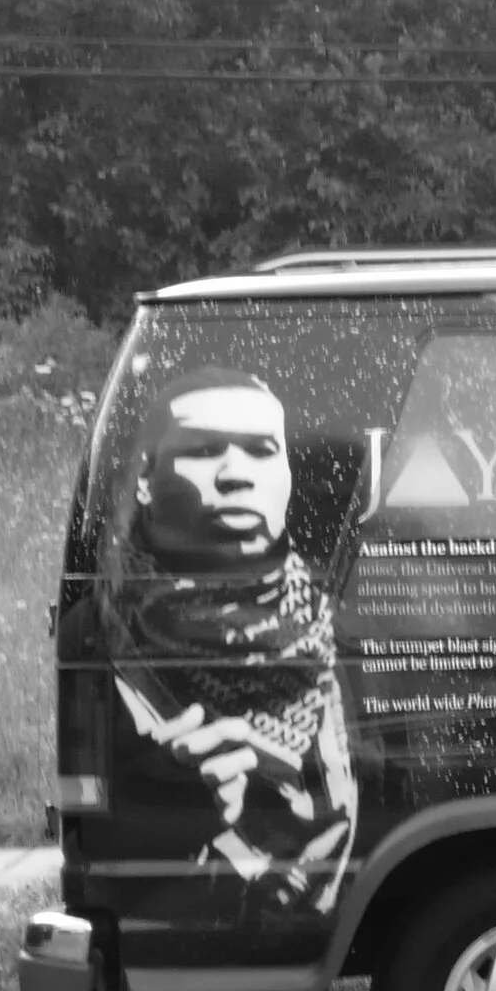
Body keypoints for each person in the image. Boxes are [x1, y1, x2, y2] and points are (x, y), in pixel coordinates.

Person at [103, 366, 356, 923]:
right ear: (145, 478)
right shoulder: (100, 644)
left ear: (287, 475)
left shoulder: (341, 634)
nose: (236, 475)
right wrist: (166, 815)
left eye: (262, 451)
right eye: (203, 449)